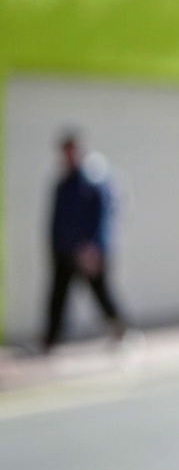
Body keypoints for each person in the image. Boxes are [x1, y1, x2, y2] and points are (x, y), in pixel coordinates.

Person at [43, 133, 128, 352]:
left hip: (88, 251)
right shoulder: (63, 183)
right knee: (58, 296)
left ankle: (120, 330)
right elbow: (57, 219)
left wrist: (94, 247)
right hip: (64, 250)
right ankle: (50, 341)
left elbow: (102, 217)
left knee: (101, 292)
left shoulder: (93, 180)